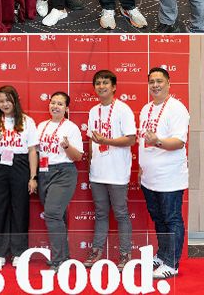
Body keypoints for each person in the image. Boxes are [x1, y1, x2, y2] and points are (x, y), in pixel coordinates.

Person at [138, 67, 189, 279]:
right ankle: (162, 255)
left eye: (160, 81)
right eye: (152, 82)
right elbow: (143, 141)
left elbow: (178, 142)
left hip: (169, 178)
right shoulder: (146, 109)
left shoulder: (177, 109)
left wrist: (157, 141)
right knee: (159, 218)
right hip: (150, 178)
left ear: (168, 83)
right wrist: (142, 167)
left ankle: (172, 263)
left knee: (171, 218)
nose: (155, 85)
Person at [83, 70, 136, 269]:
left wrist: (106, 141)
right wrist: (90, 164)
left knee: (121, 214)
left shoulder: (123, 109)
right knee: (101, 213)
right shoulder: (92, 111)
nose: (101, 86)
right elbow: (90, 140)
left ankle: (125, 253)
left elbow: (131, 139)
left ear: (114, 87)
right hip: (98, 172)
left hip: (117, 173)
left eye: (105, 83)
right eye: (98, 83)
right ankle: (96, 250)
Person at [0, 85, 38, 267]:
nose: (4, 104)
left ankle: (19, 252)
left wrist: (33, 177)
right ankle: (0, 252)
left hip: (20, 164)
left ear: (15, 100)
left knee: (20, 209)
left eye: (8, 100)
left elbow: (32, 151)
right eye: (1, 101)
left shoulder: (27, 121)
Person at [36, 92, 84, 270]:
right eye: (53, 103)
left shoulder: (71, 128)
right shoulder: (41, 126)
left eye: (60, 104)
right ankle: (63, 257)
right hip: (44, 172)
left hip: (64, 172)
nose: (55, 106)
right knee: (58, 216)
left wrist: (66, 146)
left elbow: (78, 156)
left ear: (66, 108)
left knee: (52, 214)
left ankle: (57, 261)